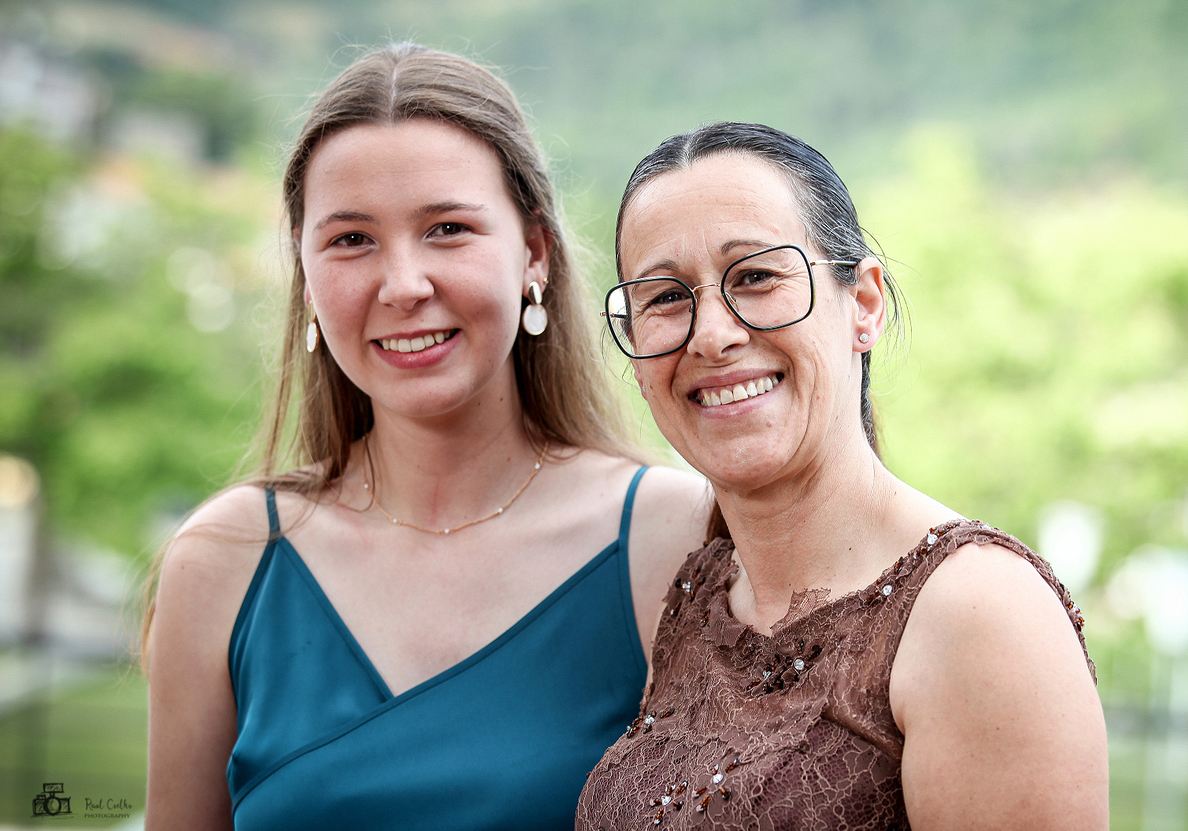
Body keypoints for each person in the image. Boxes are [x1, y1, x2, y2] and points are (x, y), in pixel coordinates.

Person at [142, 43, 708, 831]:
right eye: (351, 239)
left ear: (534, 253)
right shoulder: (223, 562)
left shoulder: (672, 536)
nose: (404, 285)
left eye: (447, 228)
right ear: (305, 272)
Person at [576, 122, 1108, 830]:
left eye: (755, 277)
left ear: (863, 304)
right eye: (666, 297)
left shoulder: (979, 615)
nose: (712, 335)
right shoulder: (699, 594)